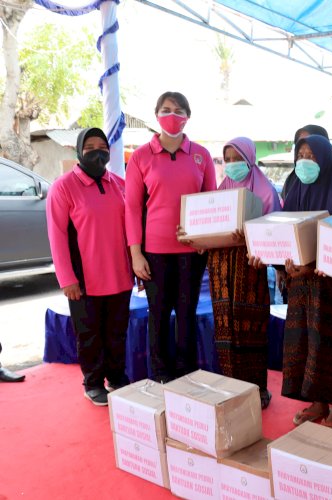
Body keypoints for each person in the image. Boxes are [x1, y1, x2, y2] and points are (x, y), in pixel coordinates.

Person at [125, 92, 216, 383]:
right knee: (159, 314)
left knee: (187, 313)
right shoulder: (141, 156)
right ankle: (161, 374)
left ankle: (186, 373)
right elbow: (132, 207)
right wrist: (136, 254)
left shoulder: (201, 156)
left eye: (178, 110)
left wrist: (205, 241)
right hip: (154, 252)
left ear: (187, 116)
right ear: (156, 115)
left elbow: (212, 203)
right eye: (166, 110)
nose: (172, 115)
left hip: (193, 251)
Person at [46, 128, 132, 405]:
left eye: (103, 146)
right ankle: (93, 381)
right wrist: (66, 278)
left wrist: (137, 266)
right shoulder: (63, 186)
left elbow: (132, 229)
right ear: (79, 151)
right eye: (90, 146)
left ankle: (117, 376)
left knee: (117, 332)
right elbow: (57, 235)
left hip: (120, 273)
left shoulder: (119, 182)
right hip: (84, 278)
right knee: (90, 334)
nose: (98, 151)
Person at [281, 134, 332, 430]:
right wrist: (285, 262)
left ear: (325, 159)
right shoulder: (294, 193)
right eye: (301, 154)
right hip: (301, 285)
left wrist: (312, 266)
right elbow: (282, 235)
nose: (305, 161)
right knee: (306, 341)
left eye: (312, 156)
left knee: (331, 341)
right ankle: (317, 401)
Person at [207, 137, 280, 409]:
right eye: (228, 159)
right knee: (225, 330)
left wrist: (251, 239)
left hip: (250, 269)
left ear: (249, 158)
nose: (232, 164)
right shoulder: (221, 191)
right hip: (220, 270)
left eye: (238, 158)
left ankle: (256, 390)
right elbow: (208, 228)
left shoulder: (266, 192)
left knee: (250, 330)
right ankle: (230, 388)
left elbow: (274, 234)